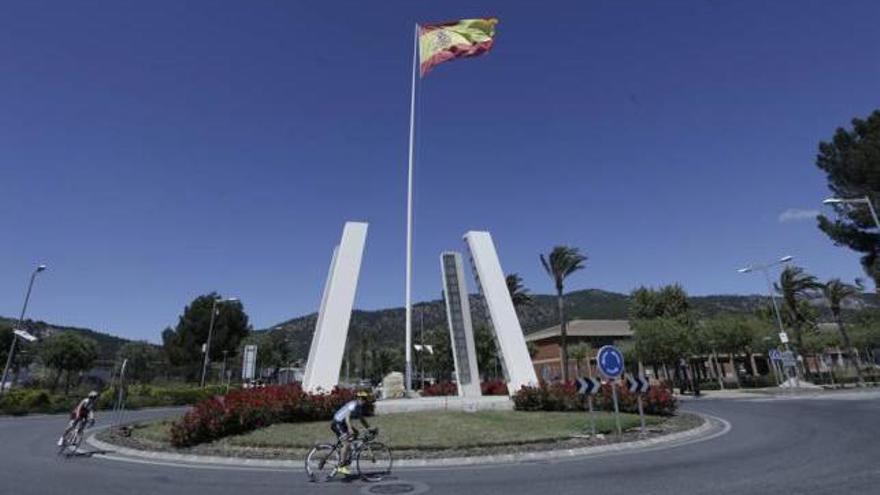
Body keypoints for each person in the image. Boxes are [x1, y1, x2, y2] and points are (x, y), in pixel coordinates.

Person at [330, 391, 372, 475]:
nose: (364, 401)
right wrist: (349, 428)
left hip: (343, 424)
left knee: (356, 434)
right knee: (346, 443)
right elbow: (347, 418)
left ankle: (347, 454)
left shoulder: (359, 407)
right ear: (358, 399)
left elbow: (362, 419)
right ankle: (341, 466)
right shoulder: (353, 405)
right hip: (338, 423)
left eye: (365, 399)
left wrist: (369, 428)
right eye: (363, 399)